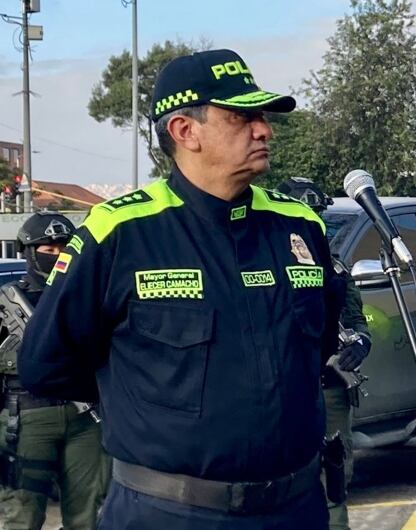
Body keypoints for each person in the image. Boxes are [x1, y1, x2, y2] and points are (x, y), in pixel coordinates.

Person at [18, 49, 346, 529]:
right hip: (167, 511)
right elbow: (46, 364)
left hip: (295, 507)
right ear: (184, 131)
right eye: (242, 117)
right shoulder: (121, 232)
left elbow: (317, 349)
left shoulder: (297, 225)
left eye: (262, 117)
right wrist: (142, 400)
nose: (264, 130)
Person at [0, 212, 110, 530]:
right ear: (28, 251)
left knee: (89, 516)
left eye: (64, 247)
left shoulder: (89, 299)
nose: (58, 254)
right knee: (22, 515)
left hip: (87, 418)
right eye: (48, 249)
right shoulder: (7, 303)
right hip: (24, 419)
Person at [277, 177, 370, 530]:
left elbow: (357, 321)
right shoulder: (260, 265)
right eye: (308, 213)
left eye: (318, 215)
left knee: (334, 480)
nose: (316, 223)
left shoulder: (336, 269)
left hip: (329, 387)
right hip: (280, 391)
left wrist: (361, 343)